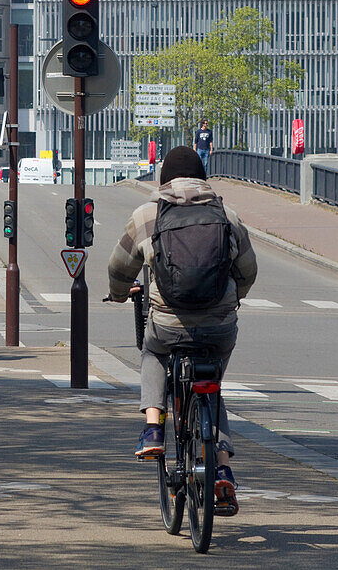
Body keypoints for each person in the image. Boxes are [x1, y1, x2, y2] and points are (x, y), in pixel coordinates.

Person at [106, 145, 257, 516]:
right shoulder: (226, 214)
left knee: (153, 352)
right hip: (219, 326)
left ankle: (154, 428)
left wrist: (119, 294)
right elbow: (248, 270)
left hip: (169, 322)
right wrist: (232, 298)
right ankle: (222, 466)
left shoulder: (148, 214)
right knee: (214, 389)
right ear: (202, 176)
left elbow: (119, 266)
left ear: (163, 179)